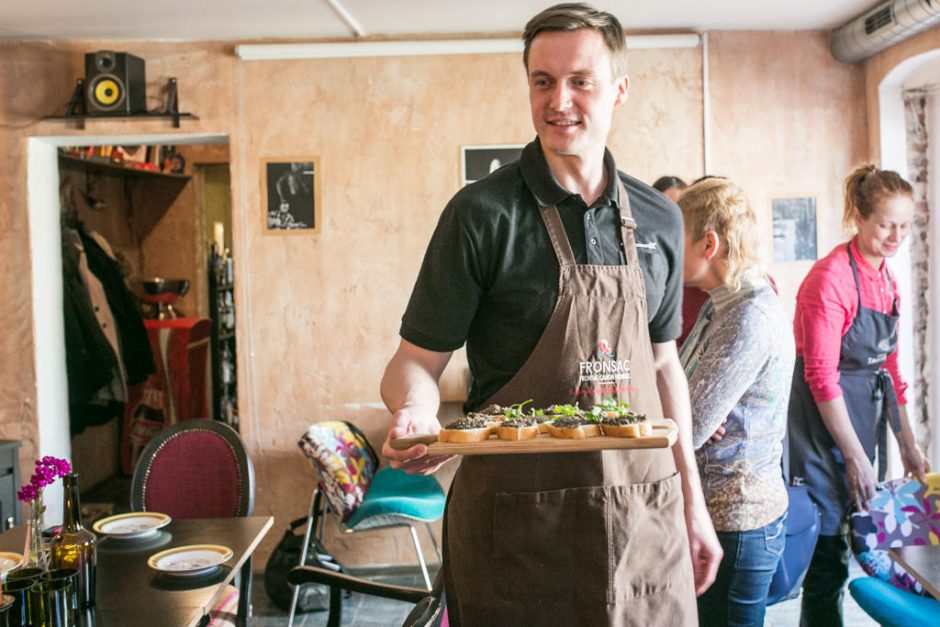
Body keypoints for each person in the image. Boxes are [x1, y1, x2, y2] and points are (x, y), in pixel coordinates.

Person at [380, 3, 721, 624]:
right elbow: (415, 361)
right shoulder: (480, 216)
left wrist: (694, 504)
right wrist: (416, 409)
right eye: (542, 81)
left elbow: (665, 367)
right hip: (518, 529)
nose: (559, 100)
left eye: (580, 81)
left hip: (641, 518)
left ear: (619, 89)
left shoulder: (661, 220)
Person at [788, 164, 930, 626]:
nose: (896, 236)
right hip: (820, 425)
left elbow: (889, 368)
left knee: (871, 539)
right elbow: (821, 376)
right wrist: (853, 455)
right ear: (859, 216)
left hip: (864, 416)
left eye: (905, 225)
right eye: (887, 224)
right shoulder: (830, 279)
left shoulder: (886, 279)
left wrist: (907, 441)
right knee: (828, 551)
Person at [678, 179, 794, 626]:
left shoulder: (748, 315)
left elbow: (692, 424)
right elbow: (686, 400)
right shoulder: (720, 305)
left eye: (676, 238)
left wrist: (690, 412)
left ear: (709, 243)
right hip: (723, 514)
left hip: (739, 520)